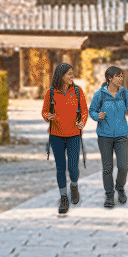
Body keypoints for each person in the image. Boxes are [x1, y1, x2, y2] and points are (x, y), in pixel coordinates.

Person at [41, 61, 87, 215]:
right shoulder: (51, 92)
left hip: (74, 134)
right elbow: (44, 111)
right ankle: (63, 198)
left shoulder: (78, 91)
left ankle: (74, 185)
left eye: (72, 73)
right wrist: (48, 116)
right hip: (56, 135)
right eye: (69, 74)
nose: (71, 76)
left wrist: (82, 122)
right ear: (60, 76)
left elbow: (84, 111)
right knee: (60, 168)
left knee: (73, 168)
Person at [89, 66, 128, 208]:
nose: (121, 79)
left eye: (122, 76)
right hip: (104, 136)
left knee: (123, 166)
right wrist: (97, 116)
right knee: (107, 167)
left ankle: (120, 188)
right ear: (110, 78)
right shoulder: (100, 95)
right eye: (118, 76)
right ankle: (109, 195)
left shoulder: (124, 93)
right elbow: (92, 110)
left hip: (121, 135)